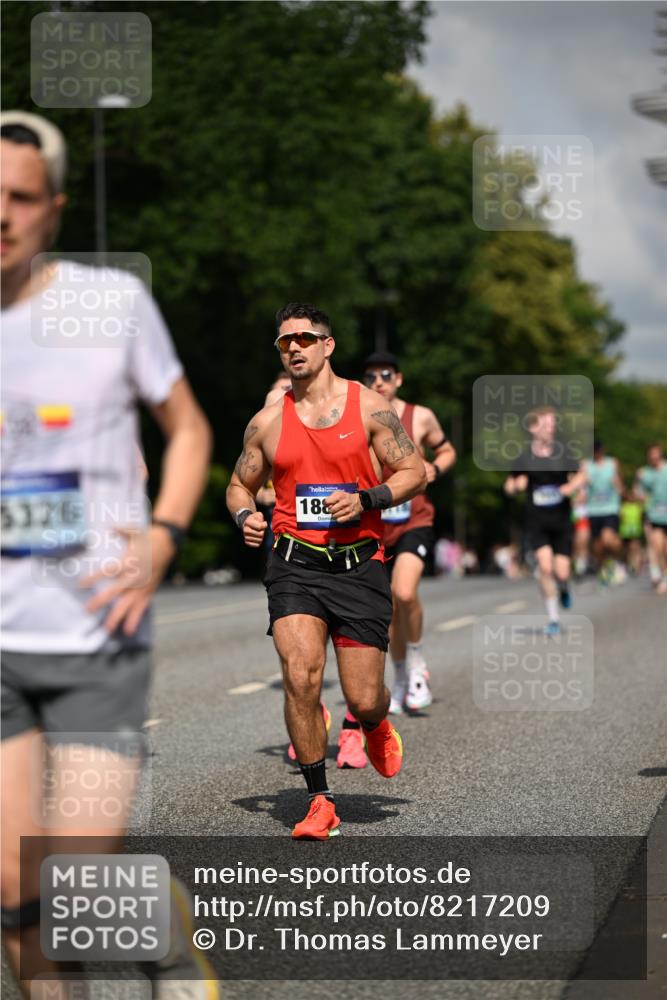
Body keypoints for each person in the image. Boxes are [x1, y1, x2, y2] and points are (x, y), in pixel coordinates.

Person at [0, 112, 215, 999]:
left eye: (18, 198)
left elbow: (191, 428)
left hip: (94, 628)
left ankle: (164, 937)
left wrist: (163, 539)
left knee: (73, 880)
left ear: (52, 208)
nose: (0, 215)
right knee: (15, 889)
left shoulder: (109, 305)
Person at [226, 303, 426, 839]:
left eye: (305, 339)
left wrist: (368, 498)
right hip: (293, 565)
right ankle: (319, 799)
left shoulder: (370, 409)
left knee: (362, 696)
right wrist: (246, 514)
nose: (293, 347)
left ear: (328, 346)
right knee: (301, 677)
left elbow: (415, 471)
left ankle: (376, 722)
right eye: (284, 341)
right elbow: (238, 484)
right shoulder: (268, 421)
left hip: (359, 565)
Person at [354, 352, 456, 724]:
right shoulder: (359, 414)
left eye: (385, 375)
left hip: (416, 519)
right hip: (378, 523)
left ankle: (416, 661)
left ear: (399, 378)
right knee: (388, 610)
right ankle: (399, 678)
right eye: (370, 375)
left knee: (406, 592)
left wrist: (434, 468)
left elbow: (447, 451)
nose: (378, 381)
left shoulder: (421, 415)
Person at [504, 406, 585, 636]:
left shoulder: (563, 452)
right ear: (532, 428)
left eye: (553, 424)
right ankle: (553, 619)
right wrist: (514, 487)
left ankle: (564, 587)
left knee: (562, 572)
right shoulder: (524, 457)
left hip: (560, 521)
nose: (551, 428)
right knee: (545, 568)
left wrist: (572, 486)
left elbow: (581, 473)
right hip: (536, 521)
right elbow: (510, 483)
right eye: (546, 424)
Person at [583, 440, 624, 585]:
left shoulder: (612, 463)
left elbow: (619, 483)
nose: (596, 454)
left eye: (598, 450)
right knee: (598, 544)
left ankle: (617, 561)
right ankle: (602, 567)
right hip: (594, 510)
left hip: (610, 508)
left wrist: (620, 489)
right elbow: (582, 484)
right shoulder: (586, 465)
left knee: (608, 539)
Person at [635, 443, 667, 594]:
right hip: (655, 515)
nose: (654, 457)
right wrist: (639, 494)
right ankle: (664, 577)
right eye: (651, 455)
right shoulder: (644, 474)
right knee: (657, 546)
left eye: (656, 454)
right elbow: (639, 493)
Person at [619, 487, 644, 577]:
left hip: (635, 531)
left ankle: (636, 567)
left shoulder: (638, 506)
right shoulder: (623, 507)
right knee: (627, 550)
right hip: (625, 531)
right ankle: (631, 566)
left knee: (635, 549)